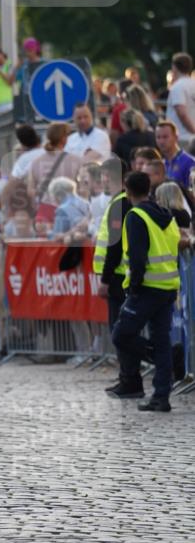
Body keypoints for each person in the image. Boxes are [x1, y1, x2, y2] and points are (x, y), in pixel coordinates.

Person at [110, 170, 180, 411]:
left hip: (147, 288)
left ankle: (166, 358)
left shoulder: (135, 216)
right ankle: (161, 396)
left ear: (128, 192)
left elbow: (137, 257)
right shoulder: (167, 215)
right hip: (168, 287)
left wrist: (135, 288)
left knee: (121, 334)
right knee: (161, 340)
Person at [93, 158, 129, 394]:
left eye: (105, 176)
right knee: (119, 331)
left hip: (117, 276)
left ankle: (130, 378)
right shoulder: (117, 202)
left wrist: (105, 280)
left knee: (120, 332)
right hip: (116, 275)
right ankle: (126, 377)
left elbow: (114, 247)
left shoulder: (120, 203)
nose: (102, 181)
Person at [27, 123, 82, 213]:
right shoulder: (76, 161)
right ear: (64, 138)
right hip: (70, 209)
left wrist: (44, 193)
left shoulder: (36, 162)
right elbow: (83, 189)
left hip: (45, 210)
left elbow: (30, 191)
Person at [154, 120, 195, 188]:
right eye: (158, 137)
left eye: (165, 137)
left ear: (176, 137)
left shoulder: (189, 162)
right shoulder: (161, 163)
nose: (161, 141)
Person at [166, 52, 195, 142]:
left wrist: (193, 130)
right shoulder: (193, 84)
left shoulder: (178, 87)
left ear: (174, 67)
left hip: (182, 137)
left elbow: (182, 113)